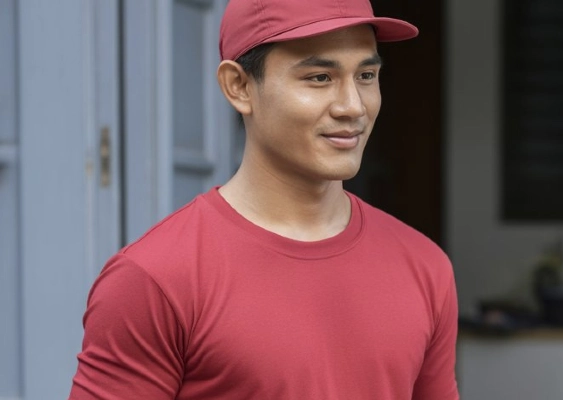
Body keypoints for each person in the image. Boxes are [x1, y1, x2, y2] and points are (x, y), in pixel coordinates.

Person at [69, 0, 459, 399]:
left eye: (366, 75)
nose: (353, 106)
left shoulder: (425, 267)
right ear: (238, 86)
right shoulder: (154, 278)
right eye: (320, 77)